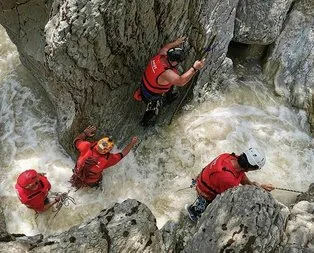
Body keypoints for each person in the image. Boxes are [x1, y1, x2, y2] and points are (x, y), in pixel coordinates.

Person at [185, 148, 275, 222]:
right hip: (204, 192)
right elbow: (231, 199)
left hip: (202, 179)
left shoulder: (228, 157)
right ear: (251, 167)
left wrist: (256, 186)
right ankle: (196, 211)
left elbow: (241, 174)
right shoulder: (228, 180)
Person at [134, 36, 206, 126]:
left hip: (145, 85)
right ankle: (145, 122)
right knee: (153, 109)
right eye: (178, 62)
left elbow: (166, 47)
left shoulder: (161, 56)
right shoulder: (166, 73)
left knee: (170, 83)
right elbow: (181, 81)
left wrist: (176, 43)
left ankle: (169, 96)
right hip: (150, 95)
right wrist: (194, 68)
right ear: (173, 62)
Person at [70, 125, 138, 189]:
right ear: (107, 151)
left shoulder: (86, 147)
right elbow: (123, 154)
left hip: (76, 176)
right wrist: (132, 143)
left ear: (98, 143)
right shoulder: (108, 159)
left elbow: (76, 140)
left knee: (72, 186)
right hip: (92, 182)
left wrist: (85, 133)